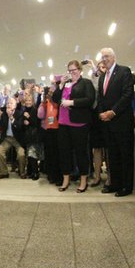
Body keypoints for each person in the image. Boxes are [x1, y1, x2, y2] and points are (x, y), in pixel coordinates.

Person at [96, 48, 135, 196]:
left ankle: (126, 186)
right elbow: (100, 98)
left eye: (106, 56)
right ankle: (115, 184)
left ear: (113, 57)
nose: (104, 59)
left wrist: (112, 112)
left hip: (122, 122)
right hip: (107, 124)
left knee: (125, 155)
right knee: (112, 157)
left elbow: (127, 94)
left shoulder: (124, 71)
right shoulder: (102, 77)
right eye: (102, 57)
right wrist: (101, 113)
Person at [52, 60, 95, 193]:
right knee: (64, 152)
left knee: (81, 152)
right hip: (63, 123)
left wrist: (72, 102)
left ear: (80, 70)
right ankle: (66, 179)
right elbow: (55, 99)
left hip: (79, 123)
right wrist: (61, 85)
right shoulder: (65, 85)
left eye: (74, 70)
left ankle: (83, 180)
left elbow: (89, 100)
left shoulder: (86, 83)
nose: (72, 73)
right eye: (69, 71)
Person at [0, 97, 25, 179]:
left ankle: (22, 172)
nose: (8, 105)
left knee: (21, 154)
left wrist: (11, 118)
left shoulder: (19, 113)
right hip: (7, 138)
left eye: (11, 103)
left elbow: (19, 126)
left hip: (17, 139)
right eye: (8, 103)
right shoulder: (4, 114)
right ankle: (4, 172)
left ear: (15, 105)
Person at [38, 84, 60, 185]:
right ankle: (51, 175)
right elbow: (40, 115)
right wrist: (43, 103)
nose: (50, 94)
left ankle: (58, 176)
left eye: (52, 92)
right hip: (47, 130)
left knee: (57, 155)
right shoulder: (45, 103)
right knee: (49, 154)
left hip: (57, 130)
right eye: (49, 92)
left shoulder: (57, 102)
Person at [21, 94, 42, 180]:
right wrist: (24, 122)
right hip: (27, 136)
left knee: (32, 155)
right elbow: (22, 124)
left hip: (34, 135)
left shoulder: (35, 110)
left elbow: (36, 123)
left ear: (32, 101)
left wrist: (28, 118)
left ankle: (36, 173)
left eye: (29, 101)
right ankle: (31, 172)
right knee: (29, 155)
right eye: (26, 101)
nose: (28, 102)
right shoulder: (24, 110)